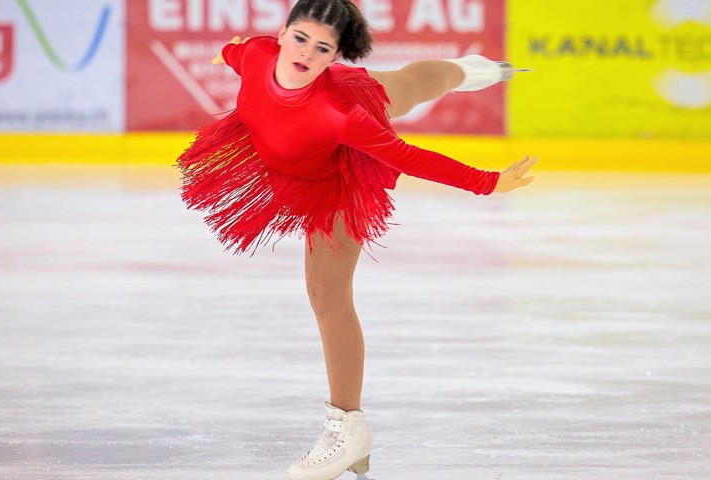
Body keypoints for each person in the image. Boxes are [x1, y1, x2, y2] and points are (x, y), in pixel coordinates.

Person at [177, 0, 537, 478]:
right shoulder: (258, 55)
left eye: (323, 48)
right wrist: (227, 52)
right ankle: (468, 69)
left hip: (339, 173)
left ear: (335, 57)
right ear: (283, 33)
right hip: (300, 150)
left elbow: (409, 157)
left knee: (327, 295)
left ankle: (347, 429)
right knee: (404, 84)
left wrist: (488, 181)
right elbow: (237, 50)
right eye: (300, 38)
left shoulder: (339, 113)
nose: (305, 53)